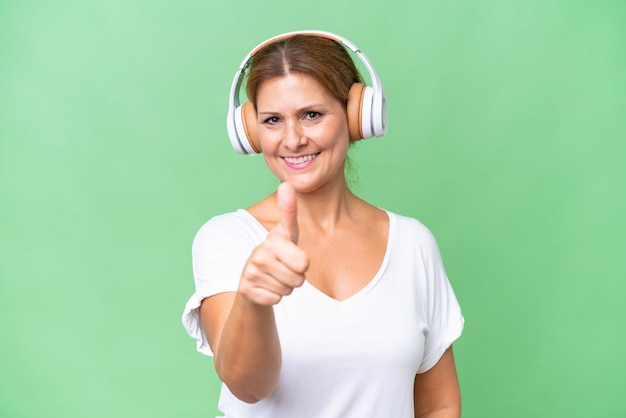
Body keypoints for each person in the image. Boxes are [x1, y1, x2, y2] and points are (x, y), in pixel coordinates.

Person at [182, 30, 464, 418]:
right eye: (273, 120)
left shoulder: (412, 243)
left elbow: (439, 405)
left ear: (356, 115)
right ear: (251, 131)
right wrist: (254, 299)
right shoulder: (228, 239)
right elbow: (248, 387)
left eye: (311, 115)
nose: (293, 139)